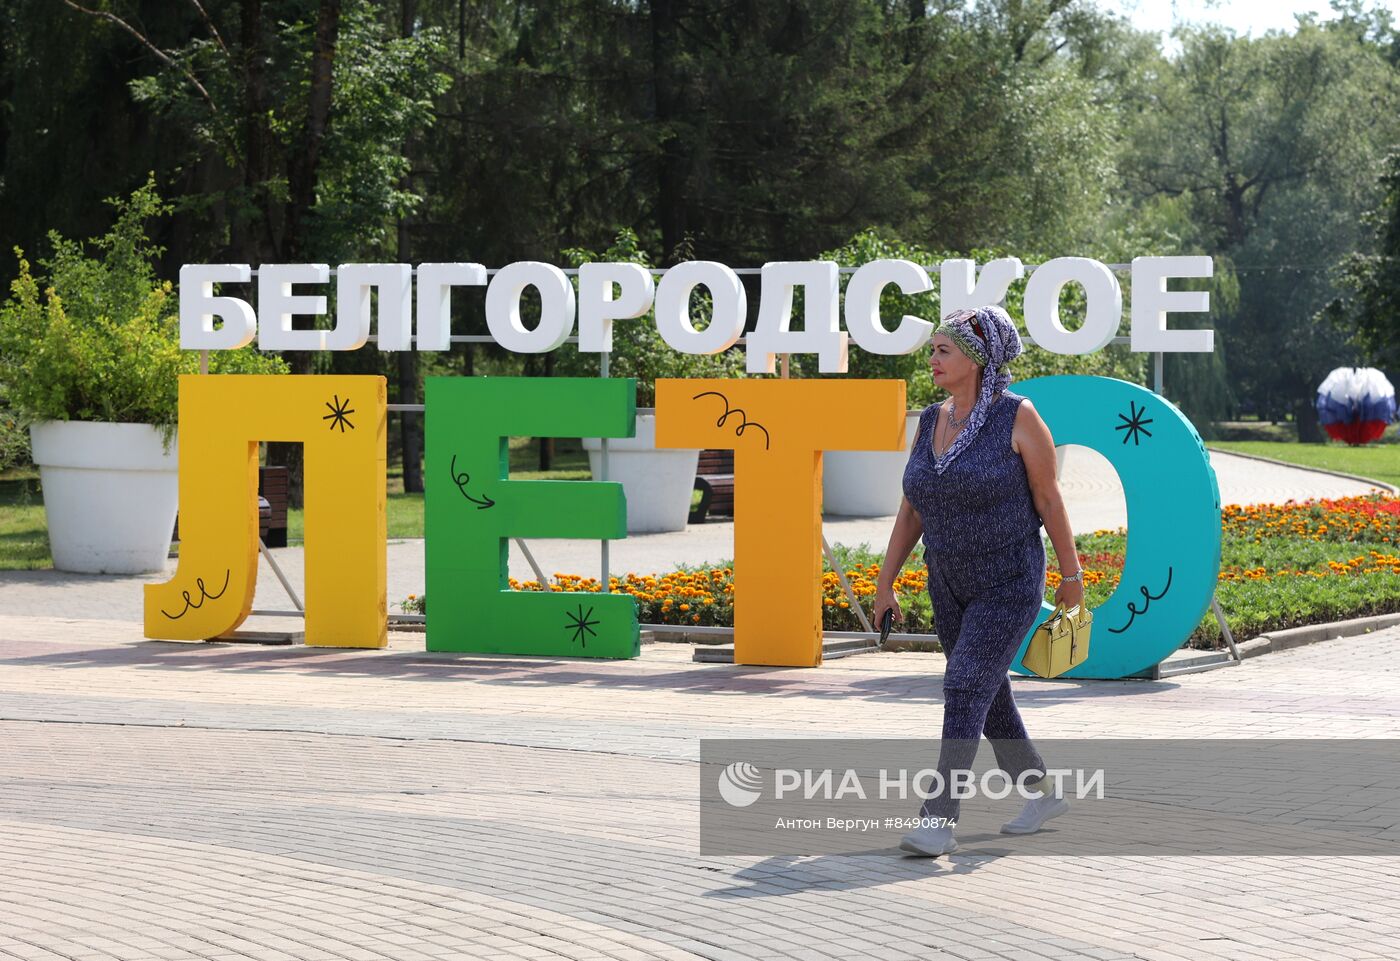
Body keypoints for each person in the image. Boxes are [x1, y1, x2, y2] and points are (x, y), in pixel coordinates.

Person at [872, 304, 1084, 858]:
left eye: (944, 349)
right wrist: (885, 581)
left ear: (976, 358)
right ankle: (1041, 792)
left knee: (965, 685)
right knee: (986, 698)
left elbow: (1048, 498)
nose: (933, 358)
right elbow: (912, 507)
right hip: (947, 581)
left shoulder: (1019, 416)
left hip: (1009, 580)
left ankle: (939, 818)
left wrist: (1071, 574)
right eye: (935, 348)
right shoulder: (930, 420)